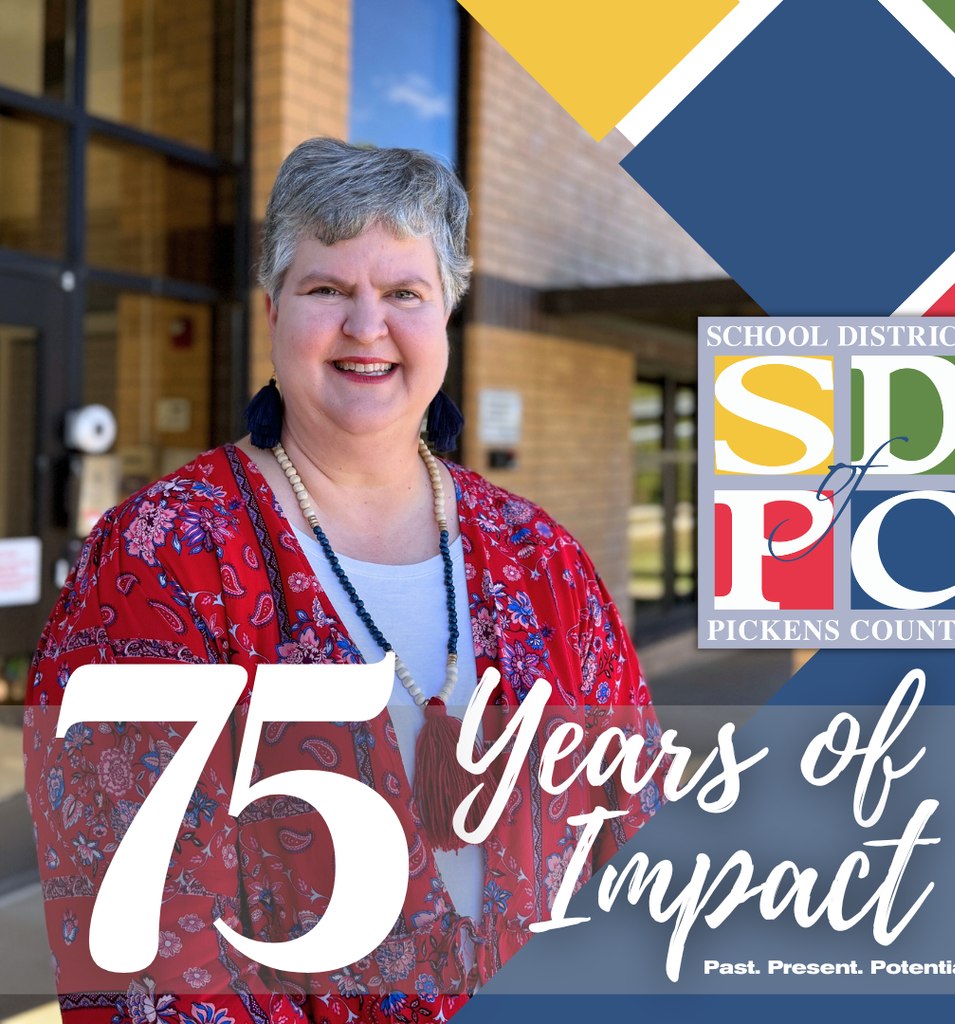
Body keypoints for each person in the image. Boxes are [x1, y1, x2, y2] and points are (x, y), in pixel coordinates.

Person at [24, 140, 664, 1024]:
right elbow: (142, 944)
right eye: (328, 289)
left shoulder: (542, 558)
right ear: (272, 309)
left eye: (405, 293)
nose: (369, 327)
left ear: (447, 315)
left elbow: (636, 837)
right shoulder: (162, 557)